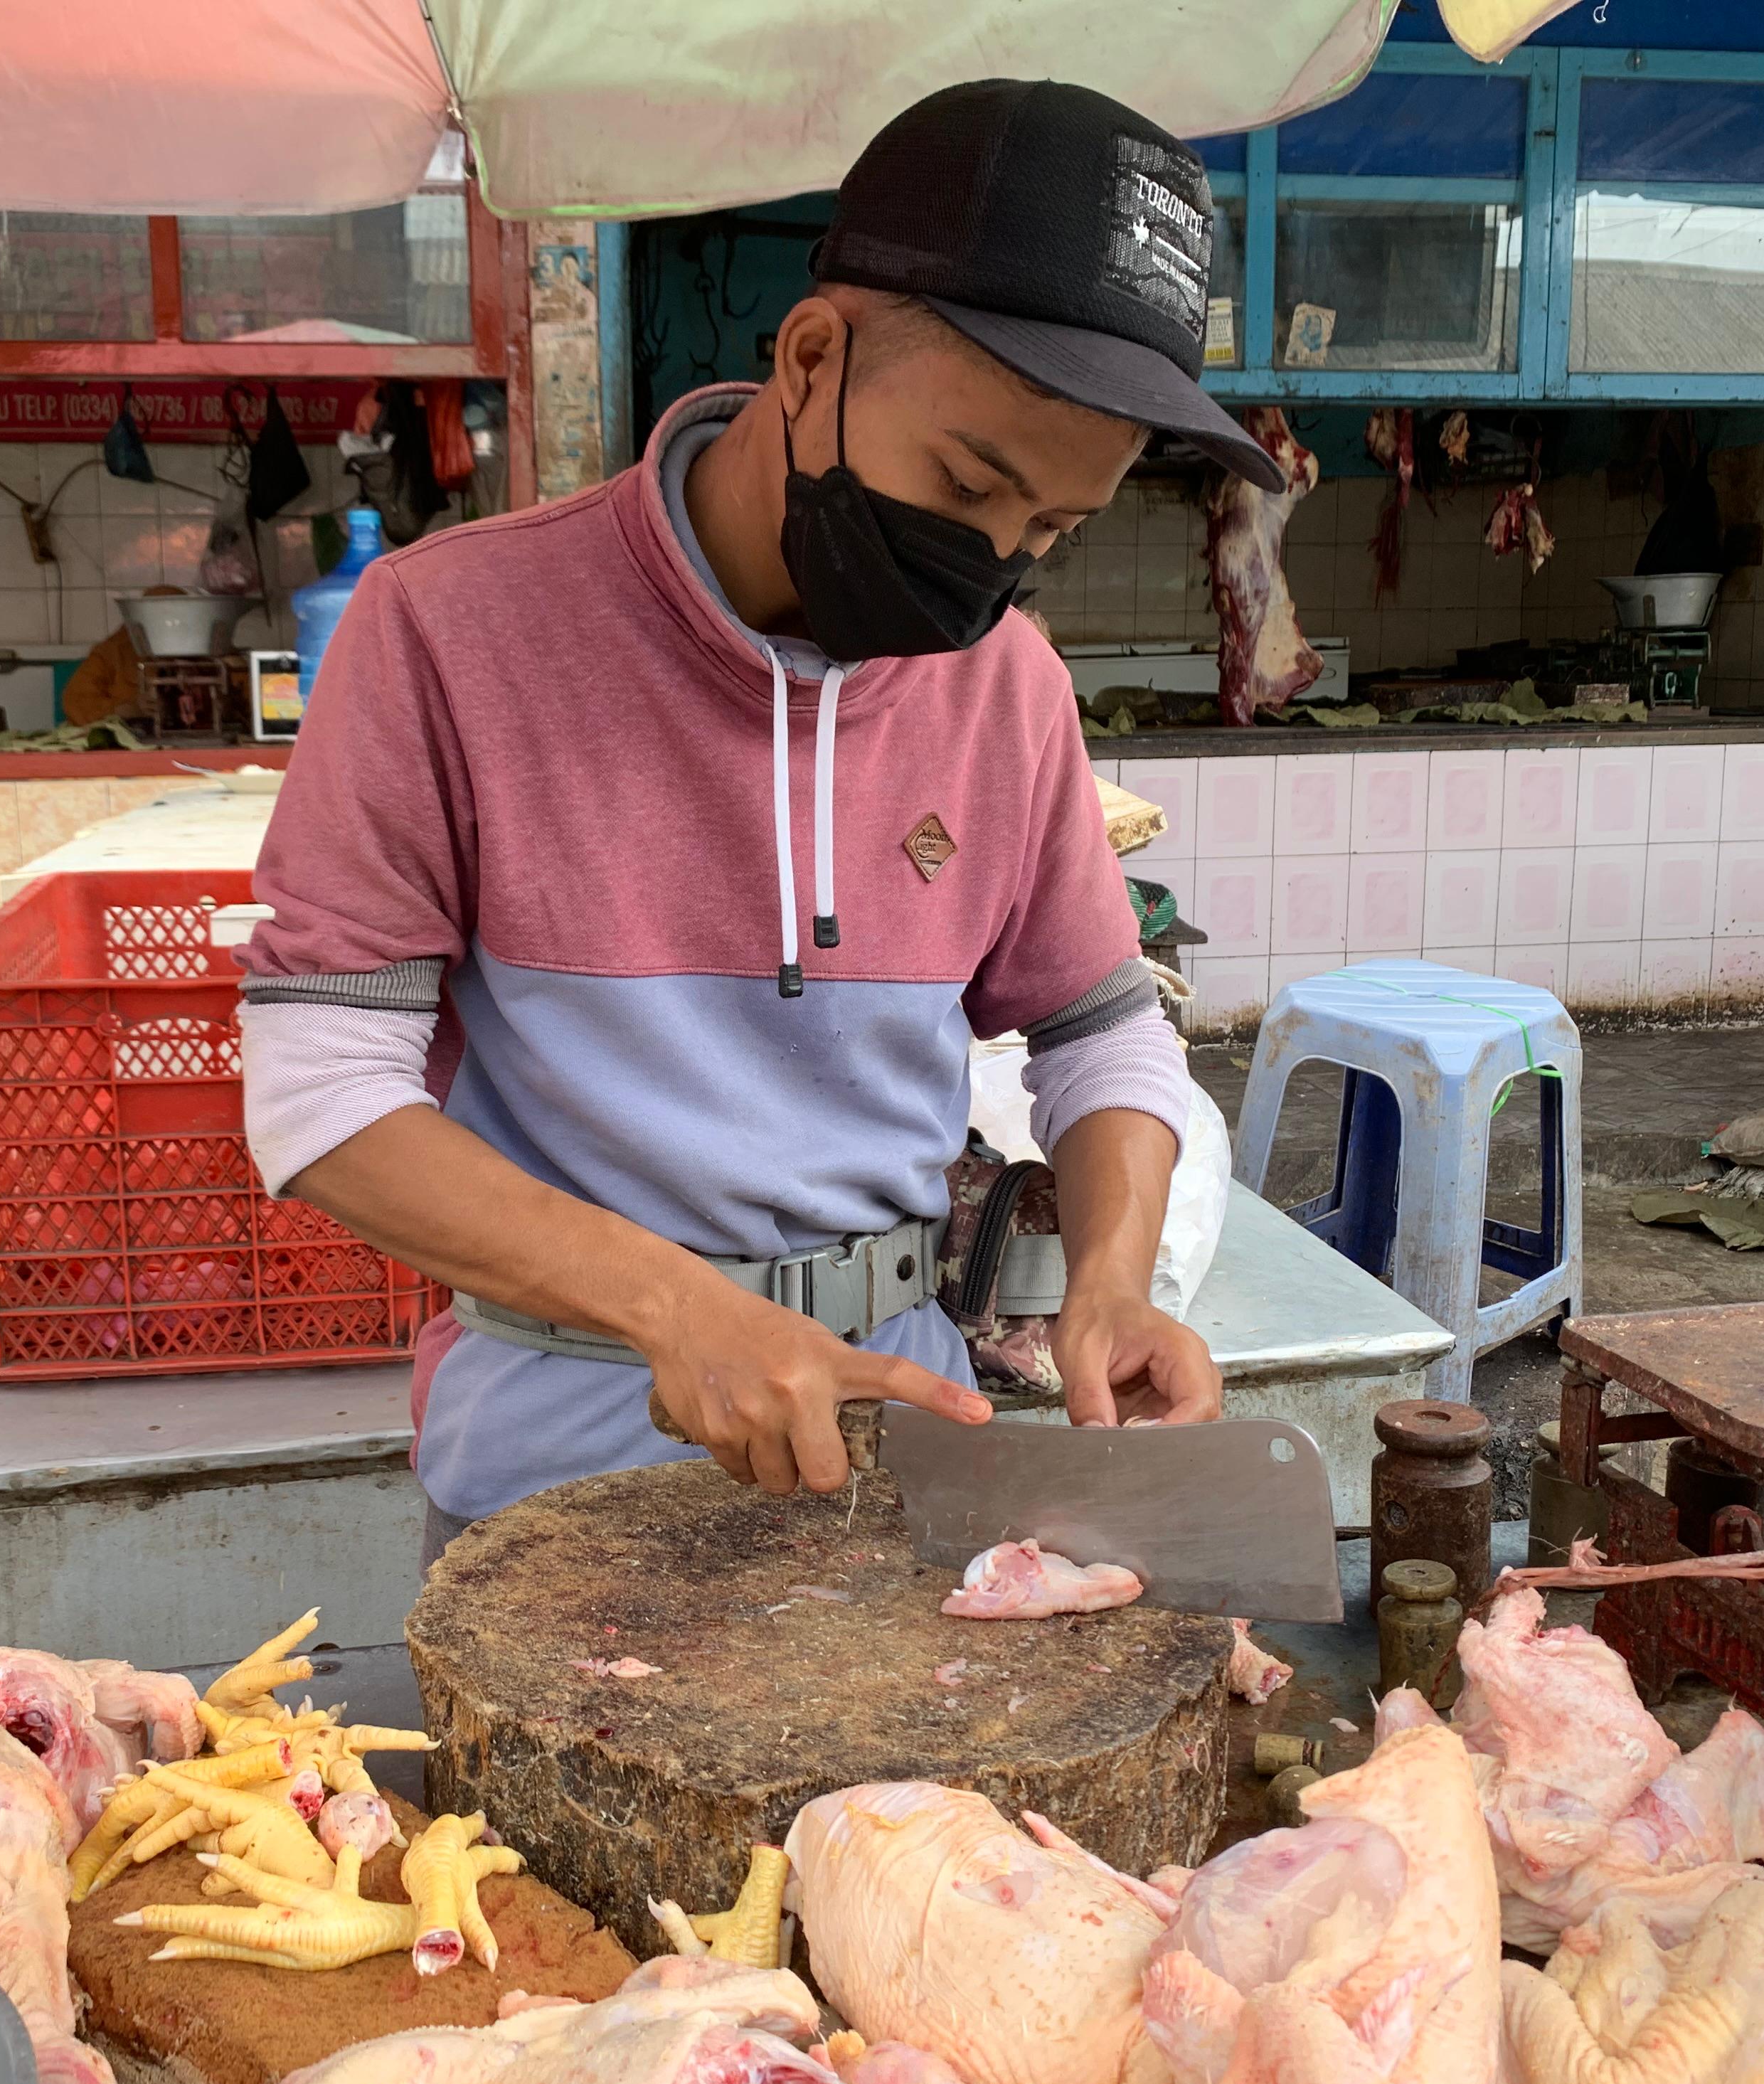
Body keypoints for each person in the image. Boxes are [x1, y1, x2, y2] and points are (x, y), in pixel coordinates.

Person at [238, 79, 1282, 1553]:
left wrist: (1112, 1283)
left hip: (902, 1457)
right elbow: (321, 1092)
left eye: (1049, 529)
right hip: (551, 1478)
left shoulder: (1009, 687)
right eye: (967, 481)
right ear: (809, 359)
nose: (990, 562)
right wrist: (677, 1308)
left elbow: (1101, 1032)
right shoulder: (446, 632)